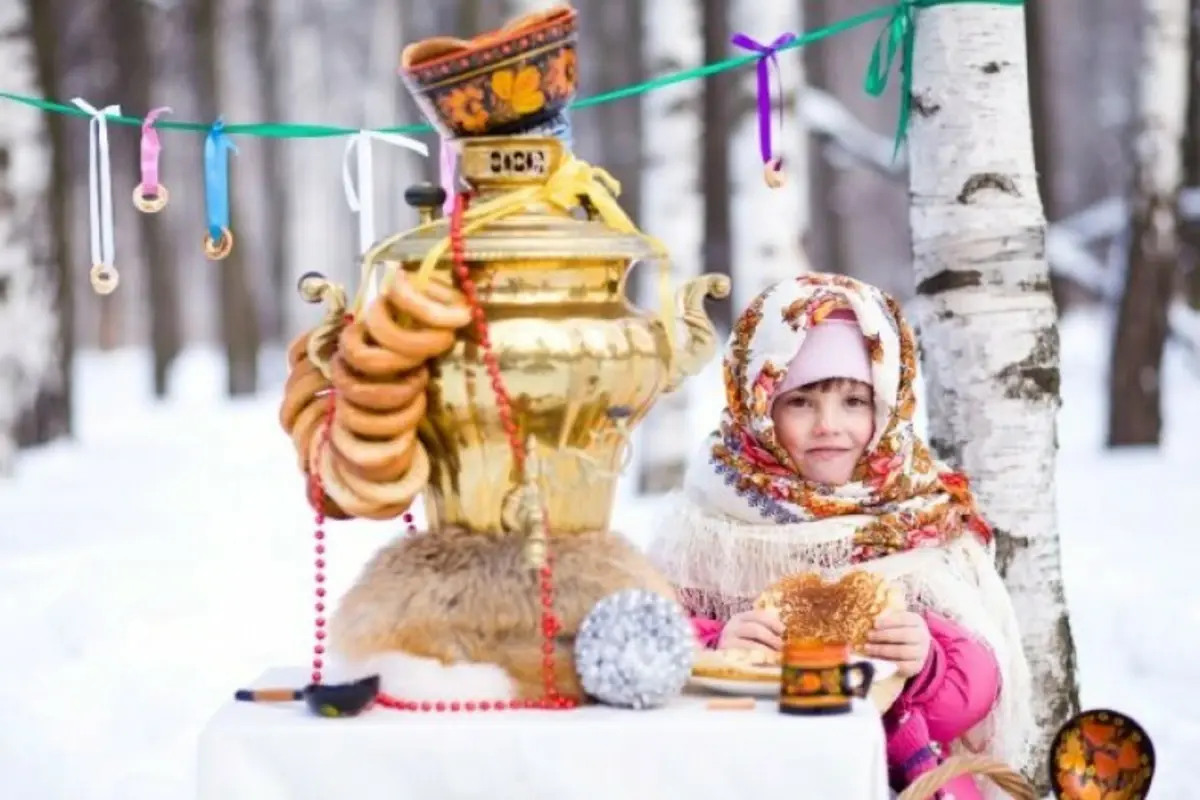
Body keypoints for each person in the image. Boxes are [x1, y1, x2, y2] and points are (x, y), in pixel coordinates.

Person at [648, 273, 1033, 799]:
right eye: (801, 401)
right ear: (756, 404)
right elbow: (644, 641)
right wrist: (716, 647)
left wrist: (927, 665)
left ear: (889, 404)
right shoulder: (711, 522)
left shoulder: (914, 510)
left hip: (898, 776)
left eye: (854, 401)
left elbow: (977, 690)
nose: (829, 424)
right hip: (745, 771)